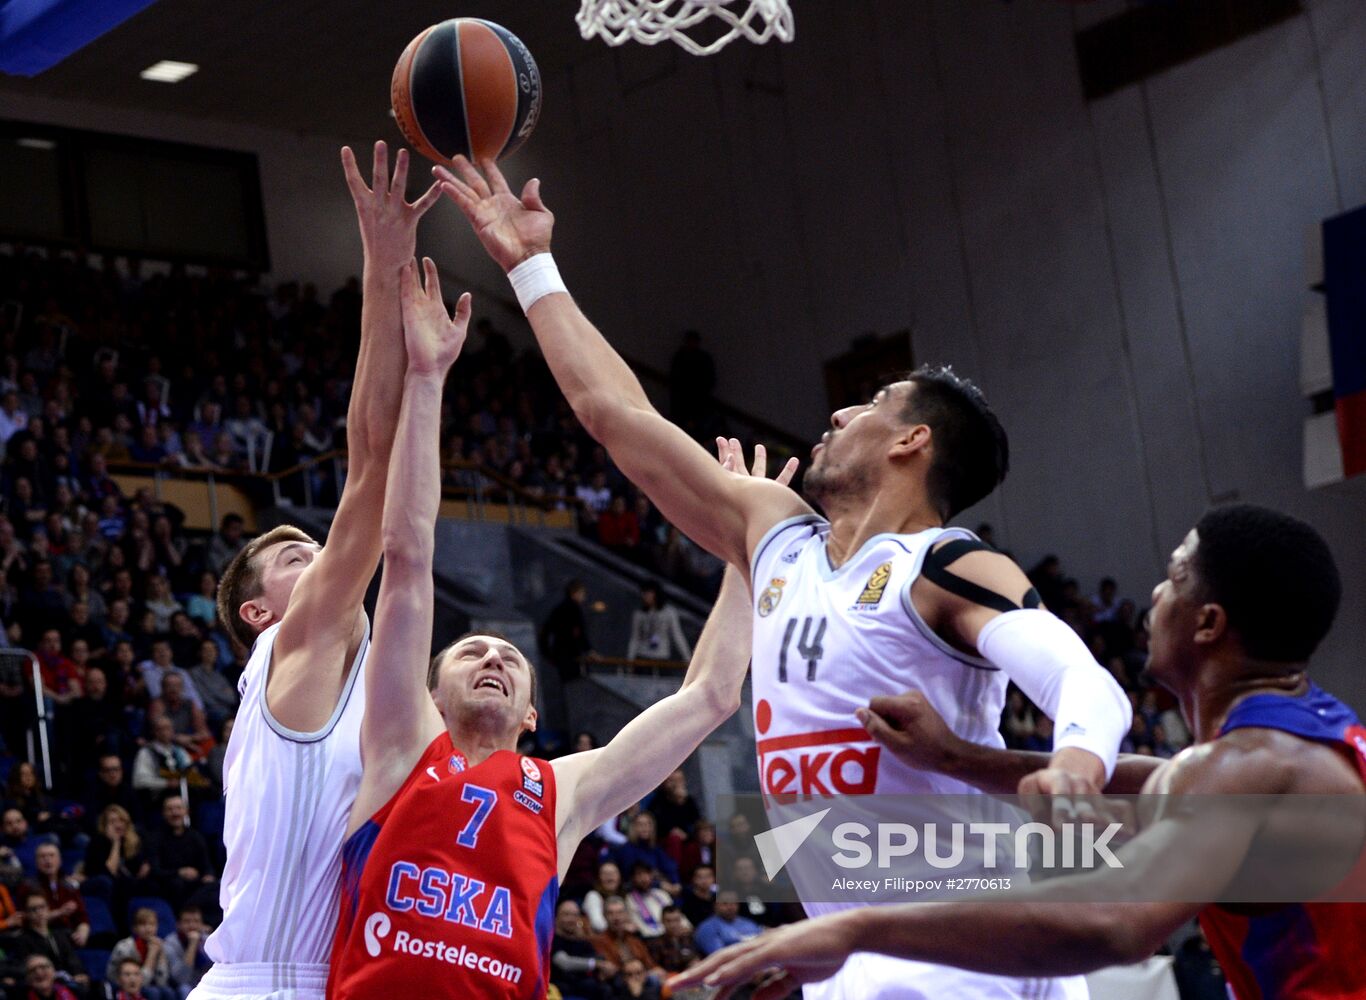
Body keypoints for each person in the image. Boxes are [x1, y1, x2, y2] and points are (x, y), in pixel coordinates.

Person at [438, 154, 1133, 1000]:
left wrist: (1077, 768)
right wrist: (528, 264)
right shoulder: (775, 536)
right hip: (847, 947)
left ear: (912, 443)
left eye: (873, 403)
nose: (839, 414)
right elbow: (612, 416)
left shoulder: (945, 564)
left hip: (966, 940)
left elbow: (1082, 681)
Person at [675, 505, 1366, 999]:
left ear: (1210, 624)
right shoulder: (1294, 742)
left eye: (1174, 578)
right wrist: (957, 758)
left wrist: (857, 928)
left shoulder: (1249, 766)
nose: (1155, 595)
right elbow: (1150, 788)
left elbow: (1114, 920)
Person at [324, 260, 764, 999]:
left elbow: (713, 694)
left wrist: (751, 550)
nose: (494, 653)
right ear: (427, 697)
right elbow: (406, 556)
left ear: (533, 712)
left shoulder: (562, 792)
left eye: (510, 657)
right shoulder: (399, 745)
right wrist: (428, 379)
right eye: (471, 650)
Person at [189, 142, 442, 1000]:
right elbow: (371, 465)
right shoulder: (292, 650)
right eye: (295, 557)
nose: (325, 558)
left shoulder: (385, 690)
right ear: (261, 616)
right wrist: (382, 266)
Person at [12, 894, 88, 995]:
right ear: (26, 914)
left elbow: (71, 958)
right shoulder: (22, 939)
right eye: (33, 909)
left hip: (68, 981)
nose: (39, 912)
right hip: (43, 983)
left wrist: (78, 973)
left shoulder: (60, 935)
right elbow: (26, 967)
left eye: (42, 907)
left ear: (48, 909)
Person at [23, 844, 89, 948]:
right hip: (40, 936)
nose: (47, 860)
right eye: (43, 856)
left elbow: (82, 917)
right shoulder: (28, 886)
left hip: (68, 935)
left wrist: (83, 932)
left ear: (60, 860)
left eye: (51, 855)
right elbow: (26, 919)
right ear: (36, 862)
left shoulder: (69, 885)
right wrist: (60, 912)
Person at [550, 899, 612, 1000]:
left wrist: (603, 971)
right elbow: (564, 963)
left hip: (589, 987)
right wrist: (596, 964)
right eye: (566, 915)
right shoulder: (552, 940)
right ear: (556, 917)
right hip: (563, 990)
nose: (571, 919)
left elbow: (599, 959)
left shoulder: (582, 941)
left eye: (575, 915)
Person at [108, 907, 174, 1000]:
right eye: (143, 924)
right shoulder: (124, 947)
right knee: (153, 992)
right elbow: (138, 982)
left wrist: (161, 955)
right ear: (134, 928)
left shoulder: (158, 945)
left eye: (152, 924)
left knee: (168, 992)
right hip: (122, 986)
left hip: (147, 985)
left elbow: (162, 982)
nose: (148, 928)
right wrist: (152, 954)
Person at [591, 898, 663, 983]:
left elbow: (650, 964)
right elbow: (612, 969)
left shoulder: (633, 939)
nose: (616, 917)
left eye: (620, 912)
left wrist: (657, 970)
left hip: (643, 979)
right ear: (604, 916)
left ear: (626, 915)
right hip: (622, 982)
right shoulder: (599, 941)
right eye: (611, 913)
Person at [625, 582, 691, 663]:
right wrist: (630, 660)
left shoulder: (669, 612)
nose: (645, 597)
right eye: (643, 594)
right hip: (642, 655)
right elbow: (635, 638)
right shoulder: (639, 614)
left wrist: (687, 658)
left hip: (661, 656)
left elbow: (677, 635)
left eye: (647, 593)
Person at [692, 891, 761, 957]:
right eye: (725, 903)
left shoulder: (749, 923)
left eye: (734, 903)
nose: (730, 907)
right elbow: (719, 956)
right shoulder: (707, 928)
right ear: (715, 905)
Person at [162, 905, 213, 995]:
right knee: (184, 989)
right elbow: (181, 978)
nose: (192, 925)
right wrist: (192, 945)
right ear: (179, 925)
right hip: (182, 985)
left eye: (196, 921)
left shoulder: (208, 940)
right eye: (187, 922)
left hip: (206, 983)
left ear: (202, 924)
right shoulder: (170, 943)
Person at [649, 906, 700, 975]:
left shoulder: (690, 938)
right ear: (662, 921)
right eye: (668, 921)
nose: (673, 925)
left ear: (681, 920)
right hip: (670, 979)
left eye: (676, 920)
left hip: (691, 976)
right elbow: (655, 966)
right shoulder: (656, 943)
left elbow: (697, 958)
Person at [584, 860, 625, 934]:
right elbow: (598, 924)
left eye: (613, 873)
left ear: (619, 877)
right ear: (599, 878)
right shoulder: (593, 896)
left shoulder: (624, 895)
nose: (609, 877)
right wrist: (622, 928)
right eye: (605, 874)